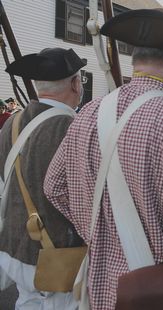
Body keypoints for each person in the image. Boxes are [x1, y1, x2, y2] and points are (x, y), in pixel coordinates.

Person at [44, 9, 163, 310]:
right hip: (155, 293)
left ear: (137, 60)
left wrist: (99, 231)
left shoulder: (87, 114)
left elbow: (54, 186)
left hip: (96, 288)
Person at [0, 48, 86, 309]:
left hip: (15, 249)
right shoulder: (73, 129)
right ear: (74, 83)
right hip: (57, 257)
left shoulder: (12, 123)